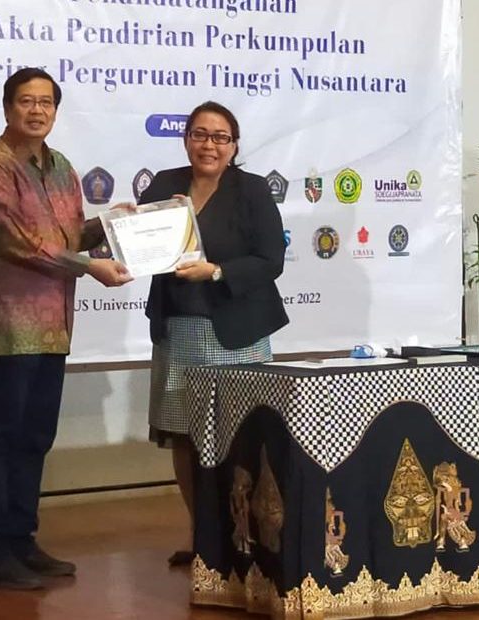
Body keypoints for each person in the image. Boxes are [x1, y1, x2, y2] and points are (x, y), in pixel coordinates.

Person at [0, 68, 131, 590]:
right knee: (2, 436)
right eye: (26, 101)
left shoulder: (61, 168)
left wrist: (112, 224)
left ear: (55, 111)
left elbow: (68, 237)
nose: (36, 110)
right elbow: (17, 242)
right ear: (7, 107)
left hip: (55, 324)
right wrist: (89, 266)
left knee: (36, 436)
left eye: (46, 103)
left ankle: (21, 541)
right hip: (10, 324)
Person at [139, 101, 289, 565]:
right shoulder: (163, 184)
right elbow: (143, 246)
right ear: (186, 140)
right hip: (178, 329)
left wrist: (217, 270)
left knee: (236, 438)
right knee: (185, 435)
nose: (209, 145)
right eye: (200, 135)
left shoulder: (252, 190)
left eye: (220, 137)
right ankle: (202, 537)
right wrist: (125, 226)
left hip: (236, 332)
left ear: (234, 146)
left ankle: (242, 536)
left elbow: (271, 261)